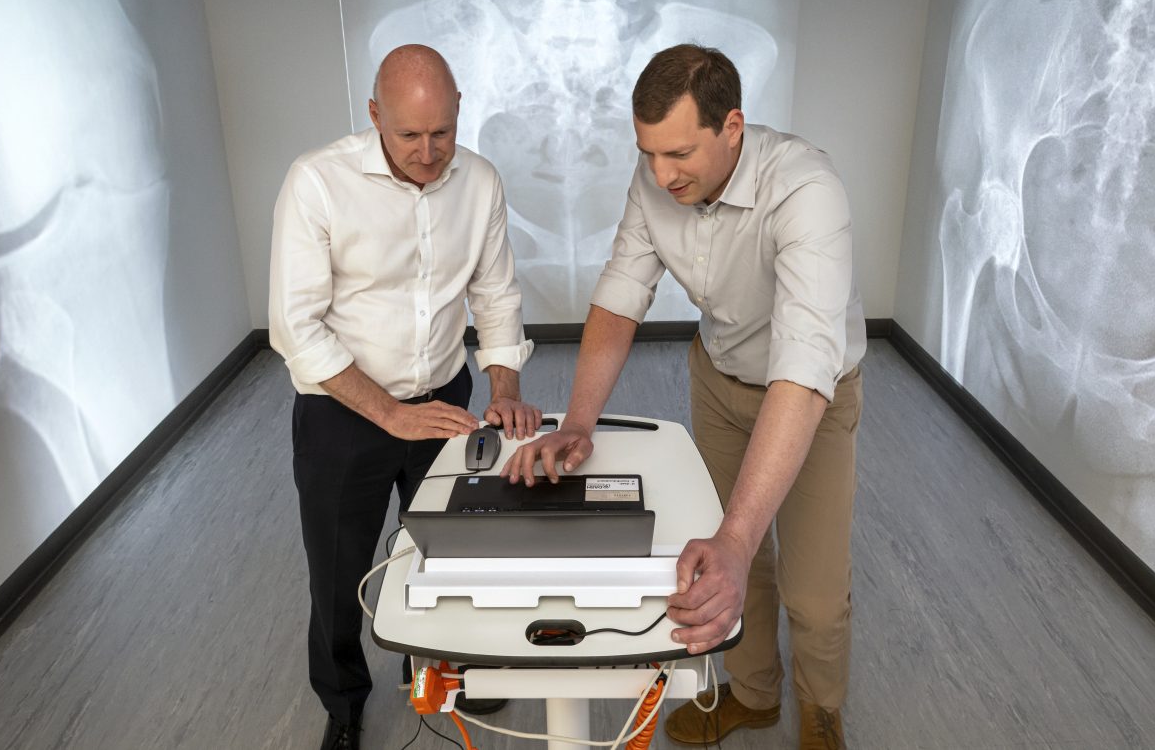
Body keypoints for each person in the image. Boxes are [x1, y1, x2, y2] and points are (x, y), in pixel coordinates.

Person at [501, 44, 866, 750]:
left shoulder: (807, 190)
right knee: (739, 566)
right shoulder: (655, 180)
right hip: (720, 379)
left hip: (811, 400)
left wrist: (735, 533)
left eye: (678, 153)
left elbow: (803, 366)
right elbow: (620, 293)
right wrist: (580, 421)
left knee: (812, 592)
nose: (661, 174)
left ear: (732, 126)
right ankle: (755, 695)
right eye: (648, 153)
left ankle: (822, 708)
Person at [269, 44, 542, 750]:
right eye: (409, 136)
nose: (428, 153)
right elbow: (295, 326)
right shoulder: (317, 182)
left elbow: (495, 293)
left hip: (444, 396)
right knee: (339, 570)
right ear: (373, 117)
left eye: (442, 133)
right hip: (343, 411)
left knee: (452, 551)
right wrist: (390, 414)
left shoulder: (480, 182)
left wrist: (504, 385)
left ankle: (443, 665)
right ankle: (344, 703)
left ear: (459, 114)